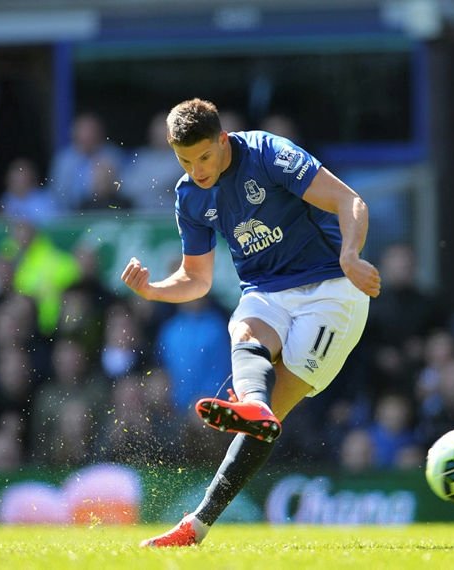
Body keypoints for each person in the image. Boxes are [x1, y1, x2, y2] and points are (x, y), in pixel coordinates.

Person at [120, 98, 380, 547]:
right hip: (266, 290)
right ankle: (250, 411)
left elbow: (348, 200)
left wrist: (351, 255)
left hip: (331, 289)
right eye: (185, 161)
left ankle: (201, 518)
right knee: (242, 332)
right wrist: (154, 290)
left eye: (204, 157)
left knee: (272, 414)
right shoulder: (189, 195)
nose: (197, 170)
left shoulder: (268, 154)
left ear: (223, 140)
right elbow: (197, 279)